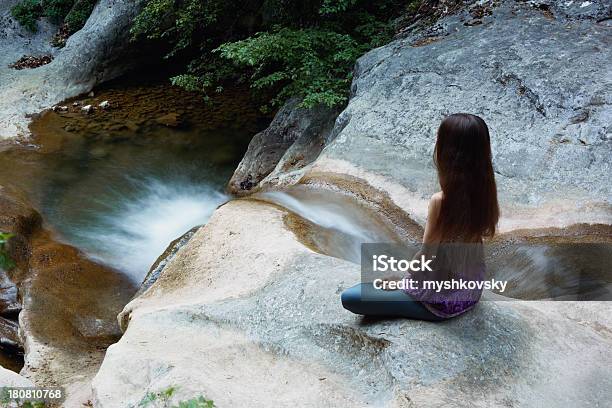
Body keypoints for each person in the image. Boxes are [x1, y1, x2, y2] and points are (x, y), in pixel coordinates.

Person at [341, 113, 500, 321]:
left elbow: (427, 256)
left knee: (351, 296)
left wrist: (402, 280)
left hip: (441, 301)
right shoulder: (485, 193)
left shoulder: (441, 201)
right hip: (470, 292)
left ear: (446, 152)